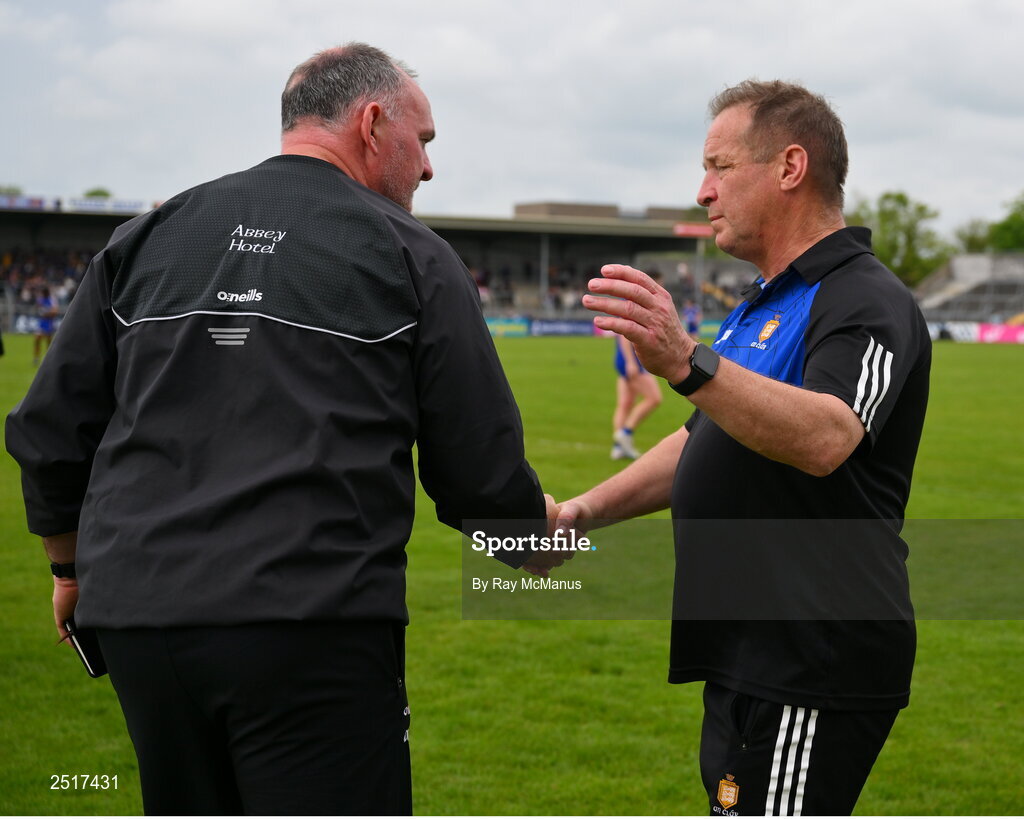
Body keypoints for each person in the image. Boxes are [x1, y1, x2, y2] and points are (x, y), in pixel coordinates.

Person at [6, 43, 558, 816]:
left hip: (139, 619)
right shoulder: (413, 255)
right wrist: (543, 542)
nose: (428, 169)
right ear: (372, 123)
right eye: (424, 141)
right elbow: (479, 472)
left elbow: (51, 428)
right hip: (309, 626)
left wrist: (67, 570)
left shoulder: (149, 233)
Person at [555, 80, 931, 815]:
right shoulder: (766, 301)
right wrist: (580, 513)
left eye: (719, 167)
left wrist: (686, 360)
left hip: (812, 653)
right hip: (752, 650)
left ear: (790, 167)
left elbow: (828, 435)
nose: (702, 191)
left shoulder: (865, 297)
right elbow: (702, 440)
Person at [610, 332, 662, 459]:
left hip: (622, 357)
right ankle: (625, 433)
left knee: (625, 403)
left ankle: (618, 448)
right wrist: (631, 362)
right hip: (632, 359)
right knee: (654, 398)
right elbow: (624, 335)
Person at [33, 285, 58, 365]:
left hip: (49, 322)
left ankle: (48, 358)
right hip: (42, 322)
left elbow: (55, 311)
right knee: (37, 339)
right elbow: (38, 308)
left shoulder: (52, 299)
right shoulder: (40, 299)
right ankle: (36, 358)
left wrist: (46, 313)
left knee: (48, 341)